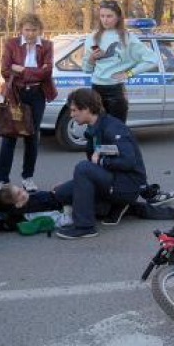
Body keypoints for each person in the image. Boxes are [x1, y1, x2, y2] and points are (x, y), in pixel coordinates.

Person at [51, 88, 148, 239]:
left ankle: (85, 226)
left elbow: (128, 161)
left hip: (128, 185)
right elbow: (94, 169)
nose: (71, 115)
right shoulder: (93, 129)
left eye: (74, 110)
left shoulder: (113, 128)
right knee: (61, 193)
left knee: (82, 168)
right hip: (111, 178)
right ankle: (106, 207)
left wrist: (102, 161)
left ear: (87, 109)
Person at [0, 14, 57, 194]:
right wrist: (34, 71)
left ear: (39, 30)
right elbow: (5, 70)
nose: (30, 34)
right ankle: (2, 180)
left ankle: (28, 178)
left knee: (32, 136)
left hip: (37, 94)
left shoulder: (46, 45)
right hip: (16, 93)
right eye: (27, 29)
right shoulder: (11, 44)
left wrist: (22, 70)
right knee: (9, 136)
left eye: (34, 30)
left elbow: (47, 72)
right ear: (21, 29)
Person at [82, 0, 157, 123]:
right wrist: (92, 58)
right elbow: (86, 69)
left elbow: (152, 59)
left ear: (118, 17)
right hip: (96, 90)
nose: (105, 20)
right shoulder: (92, 37)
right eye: (102, 16)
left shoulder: (127, 38)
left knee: (115, 133)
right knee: (97, 133)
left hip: (116, 92)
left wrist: (128, 73)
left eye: (109, 16)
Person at [0, 182, 174, 223]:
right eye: (19, 194)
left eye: (19, 189)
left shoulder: (31, 200)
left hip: (82, 198)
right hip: (89, 204)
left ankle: (147, 193)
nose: (23, 192)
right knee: (139, 208)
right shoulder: (27, 208)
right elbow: (11, 214)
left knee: (138, 207)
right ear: (17, 205)